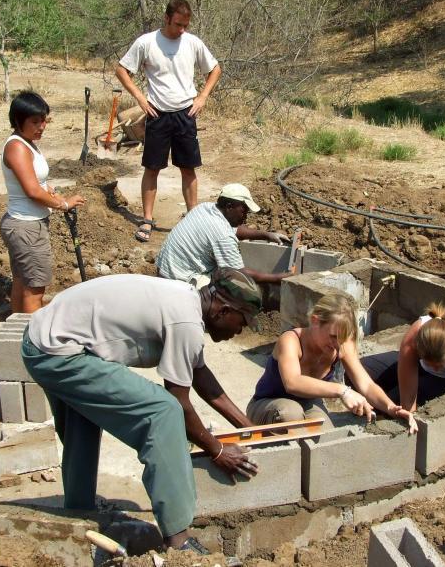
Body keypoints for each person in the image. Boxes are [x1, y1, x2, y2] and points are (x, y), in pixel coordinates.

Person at [21, 268, 262, 555]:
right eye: (242, 322)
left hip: (45, 339)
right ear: (223, 310)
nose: (240, 331)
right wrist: (218, 450)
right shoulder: (186, 322)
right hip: (58, 351)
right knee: (162, 412)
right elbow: (180, 404)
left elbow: (201, 376)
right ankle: (179, 540)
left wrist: (251, 429)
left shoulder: (187, 303)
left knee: (82, 422)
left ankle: (79, 512)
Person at [116, 0, 222, 242]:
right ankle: (147, 220)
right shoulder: (146, 42)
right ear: (166, 18)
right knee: (152, 167)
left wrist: (203, 97)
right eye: (177, 24)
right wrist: (140, 98)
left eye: (186, 25)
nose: (182, 30)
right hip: (157, 114)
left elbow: (214, 69)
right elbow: (122, 69)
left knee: (188, 168)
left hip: (186, 113)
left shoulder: (193, 43)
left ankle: (193, 219)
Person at [248, 292, 418, 433]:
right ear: (315, 321)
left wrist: (390, 407)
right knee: (291, 415)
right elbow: (292, 382)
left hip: (307, 403)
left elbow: (366, 385)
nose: (337, 344)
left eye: (342, 339)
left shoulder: (342, 343)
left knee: (327, 437)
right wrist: (343, 391)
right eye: (333, 336)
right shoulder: (291, 340)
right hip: (268, 404)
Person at [0, 91, 86, 313]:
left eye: (44, 120)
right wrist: (63, 205)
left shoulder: (27, 143)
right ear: (18, 121)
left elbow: (38, 183)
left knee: (22, 282)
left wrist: (56, 195)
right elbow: (32, 191)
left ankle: (17, 337)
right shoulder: (17, 147)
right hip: (26, 227)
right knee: (35, 289)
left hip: (27, 224)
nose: (42, 126)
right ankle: (32, 342)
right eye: (35, 122)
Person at [156, 183, 292, 288]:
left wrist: (267, 235)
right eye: (244, 210)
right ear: (229, 206)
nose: (245, 217)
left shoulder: (205, 208)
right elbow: (238, 274)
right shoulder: (222, 234)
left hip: (164, 272)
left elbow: (236, 231)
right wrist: (276, 279)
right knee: (238, 290)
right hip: (178, 284)